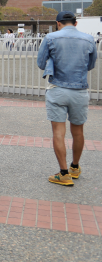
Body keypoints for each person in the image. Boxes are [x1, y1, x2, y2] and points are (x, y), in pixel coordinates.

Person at [36, 11, 97, 186]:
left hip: (58, 90)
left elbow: (41, 63)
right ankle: (75, 168)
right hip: (79, 90)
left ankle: (63, 174)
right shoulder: (88, 39)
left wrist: (52, 63)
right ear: (76, 23)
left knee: (58, 132)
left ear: (58, 23)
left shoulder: (50, 38)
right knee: (78, 132)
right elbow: (91, 65)